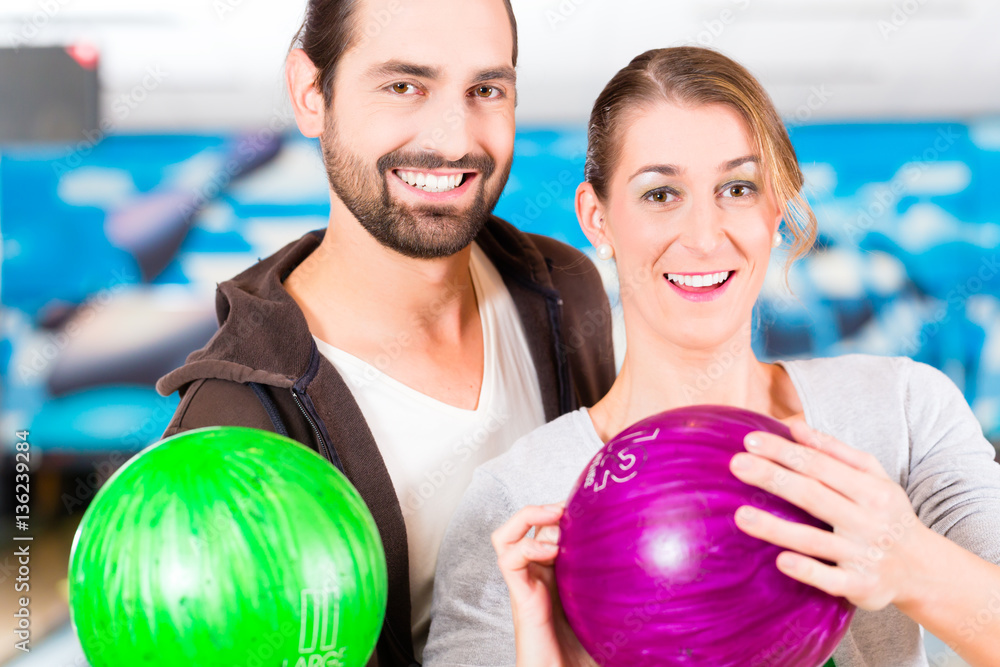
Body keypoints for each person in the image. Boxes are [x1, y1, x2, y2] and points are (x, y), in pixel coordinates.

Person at [424, 47, 1000, 667]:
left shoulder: (903, 412)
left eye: (737, 188)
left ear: (775, 210)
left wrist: (912, 561)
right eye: (660, 194)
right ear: (597, 219)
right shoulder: (520, 504)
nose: (703, 236)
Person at [155, 1, 615, 664]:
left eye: (486, 90)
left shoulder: (563, 290)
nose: (455, 139)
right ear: (311, 92)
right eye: (404, 86)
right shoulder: (235, 430)